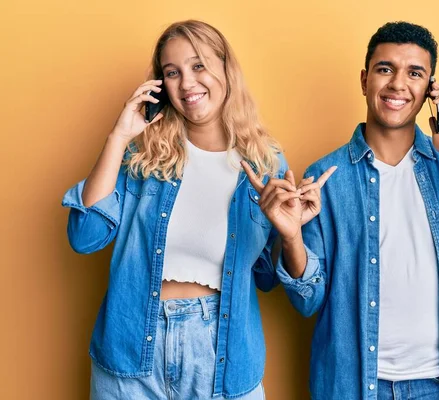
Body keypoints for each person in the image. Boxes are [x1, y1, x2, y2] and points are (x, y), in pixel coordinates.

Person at [62, 19, 333, 399]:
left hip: (222, 355)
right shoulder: (144, 155)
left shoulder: (265, 163)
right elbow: (84, 237)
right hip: (131, 351)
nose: (187, 83)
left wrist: (291, 236)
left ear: (226, 68)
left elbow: (296, 294)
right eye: (172, 73)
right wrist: (119, 136)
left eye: (198, 65)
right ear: (161, 85)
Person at [277, 21, 439, 400]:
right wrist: (290, 238)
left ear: (431, 89)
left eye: (414, 73)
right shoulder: (325, 177)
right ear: (365, 79)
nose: (398, 84)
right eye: (385, 69)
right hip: (356, 386)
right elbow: (307, 301)